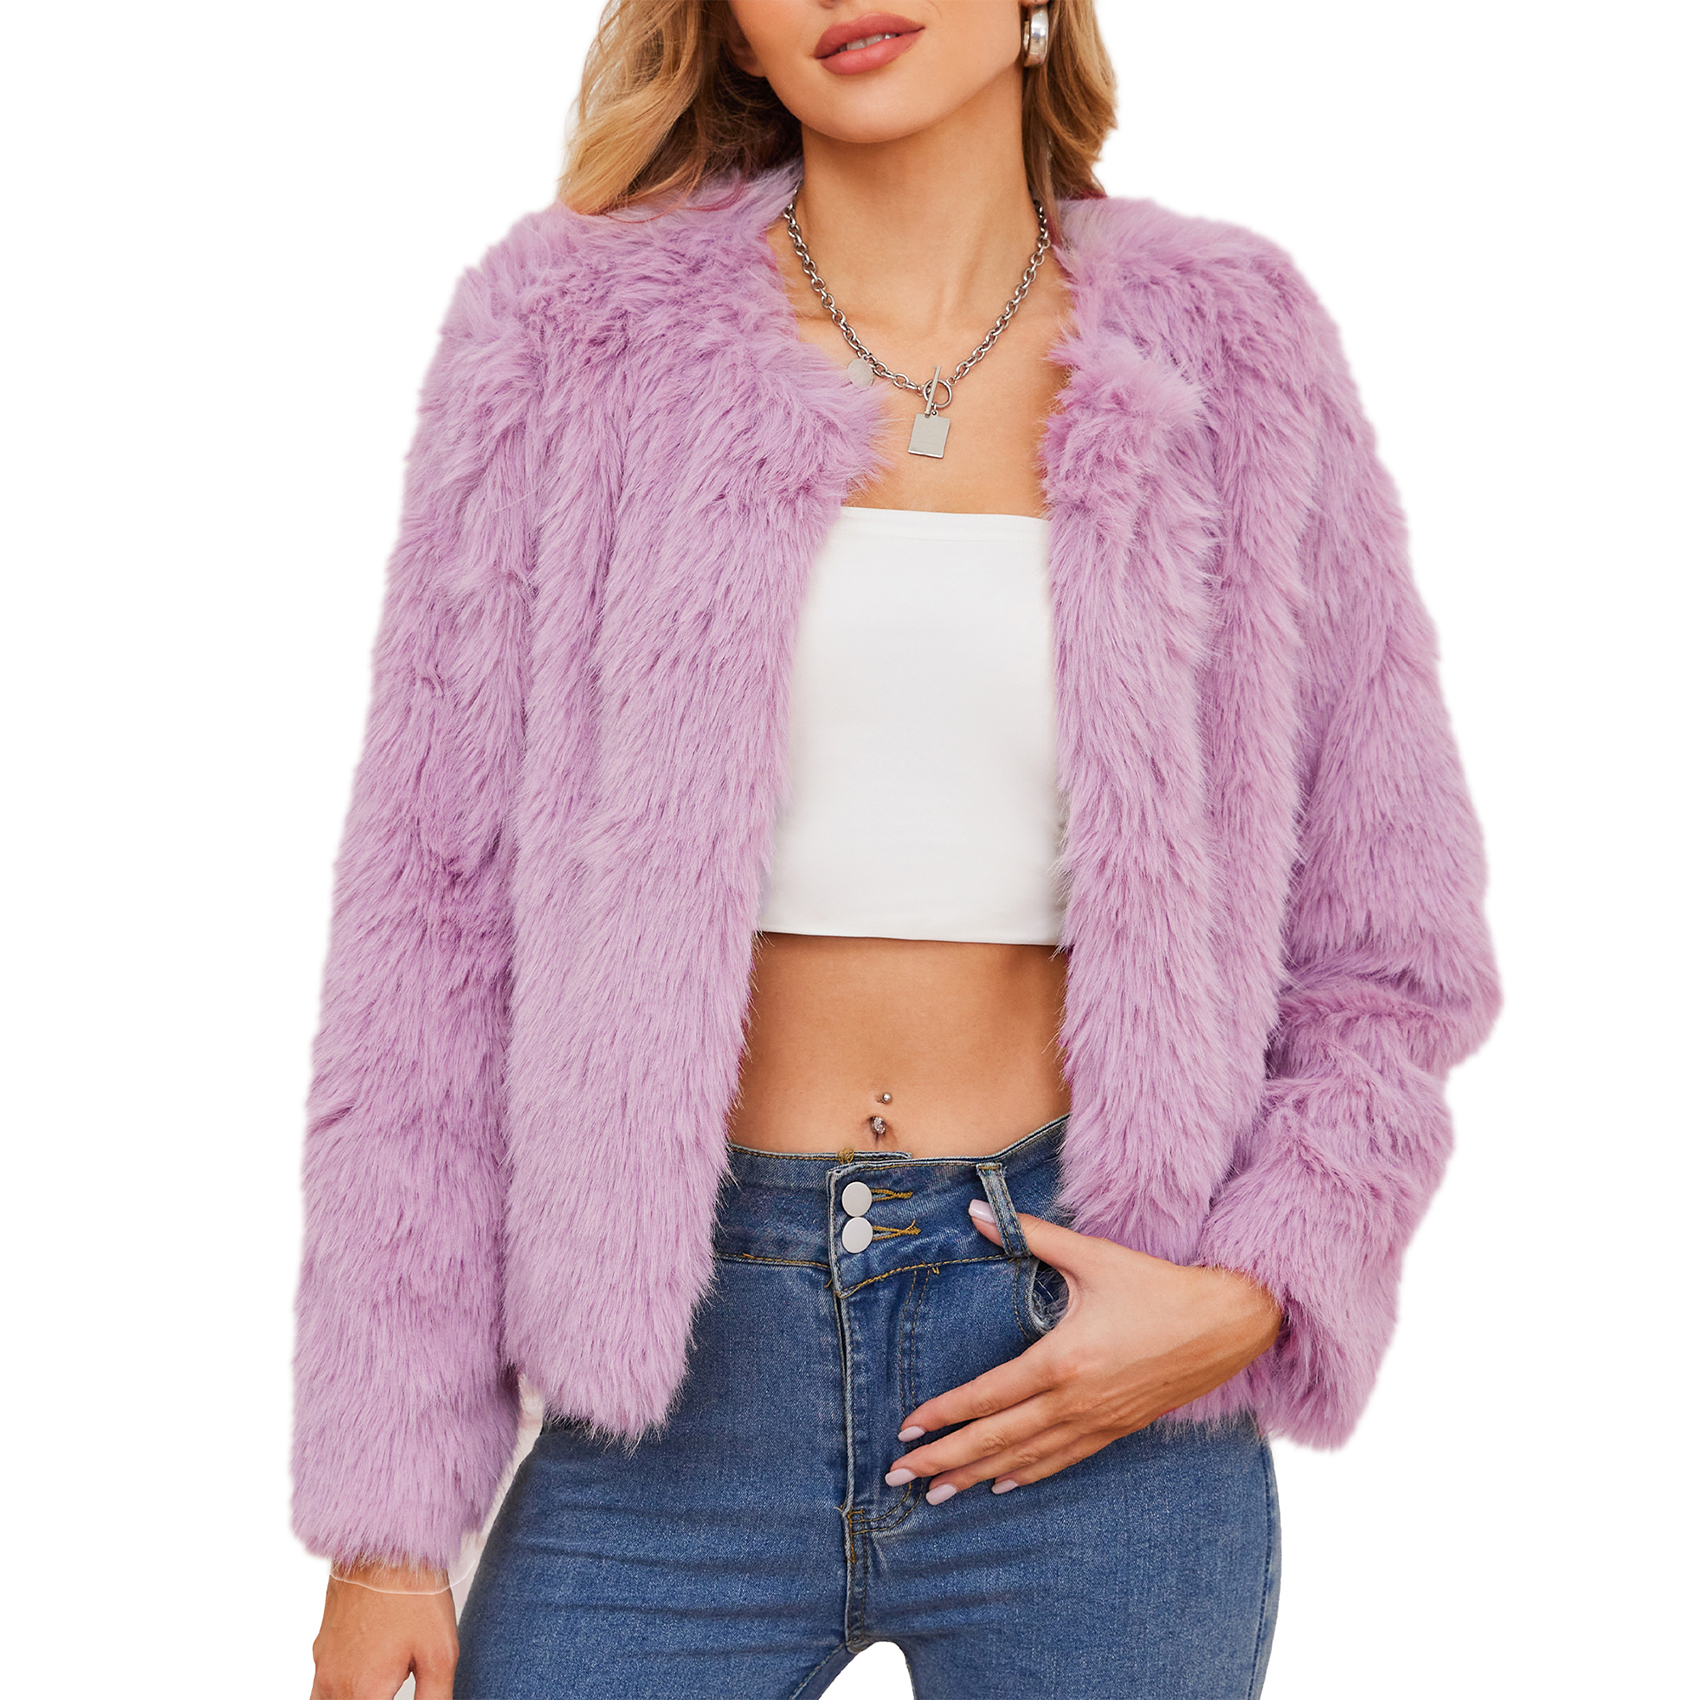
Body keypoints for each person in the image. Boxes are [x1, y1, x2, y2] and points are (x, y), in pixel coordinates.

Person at [296, 3, 1501, 1696]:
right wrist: (385, 1530)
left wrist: (1253, 1291)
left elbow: (1391, 952)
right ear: (727, 29)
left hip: (1090, 1366)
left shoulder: (1237, 345)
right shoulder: (570, 334)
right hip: (673, 1380)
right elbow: (428, 938)